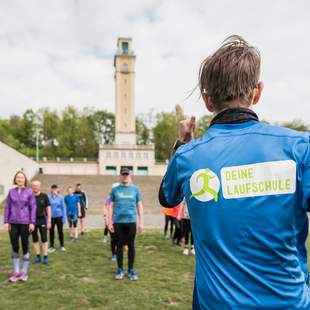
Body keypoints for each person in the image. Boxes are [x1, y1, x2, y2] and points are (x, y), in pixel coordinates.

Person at [159, 35, 310, 309]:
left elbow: (167, 197)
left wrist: (182, 143)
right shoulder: (299, 148)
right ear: (257, 92)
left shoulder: (187, 157)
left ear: (207, 101)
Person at [108, 168, 144, 281]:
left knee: (131, 245)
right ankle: (119, 269)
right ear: (120, 176)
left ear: (130, 176)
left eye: (127, 174)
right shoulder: (115, 190)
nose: (125, 176)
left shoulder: (135, 189)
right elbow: (110, 206)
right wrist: (109, 221)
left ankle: (131, 270)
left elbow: (139, 206)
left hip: (131, 221)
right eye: (123, 174)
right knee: (119, 246)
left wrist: (141, 222)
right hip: (118, 221)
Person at [3, 171, 36, 282]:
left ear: (25, 179)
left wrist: (32, 222)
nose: (20, 179)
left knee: (25, 245)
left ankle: (24, 272)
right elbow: (7, 207)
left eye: (21, 177)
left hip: (25, 222)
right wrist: (6, 221)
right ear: (15, 179)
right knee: (15, 246)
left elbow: (33, 207)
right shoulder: (11, 192)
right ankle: (16, 272)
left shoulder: (29, 192)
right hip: (13, 222)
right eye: (18, 177)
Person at [31, 180, 51, 265]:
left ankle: (45, 256)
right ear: (32, 187)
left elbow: (48, 209)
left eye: (37, 185)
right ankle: (38, 256)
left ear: (40, 186)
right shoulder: (29, 196)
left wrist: (49, 221)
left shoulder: (44, 196)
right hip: (32, 221)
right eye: (34, 186)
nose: (35, 187)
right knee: (35, 238)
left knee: (44, 238)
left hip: (42, 219)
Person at [48, 184, 66, 253]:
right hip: (51, 217)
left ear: (57, 189)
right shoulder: (48, 197)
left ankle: (62, 246)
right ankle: (52, 246)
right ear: (51, 190)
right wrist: (47, 219)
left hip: (59, 217)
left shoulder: (61, 197)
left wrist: (64, 218)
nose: (54, 191)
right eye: (53, 189)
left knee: (60, 232)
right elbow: (47, 208)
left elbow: (63, 208)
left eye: (56, 189)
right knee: (51, 232)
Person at [103, 194, 117, 261]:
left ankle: (118, 252)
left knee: (120, 238)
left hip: (120, 221)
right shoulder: (109, 198)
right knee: (113, 239)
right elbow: (105, 208)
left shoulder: (121, 196)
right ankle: (114, 254)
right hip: (111, 221)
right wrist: (106, 219)